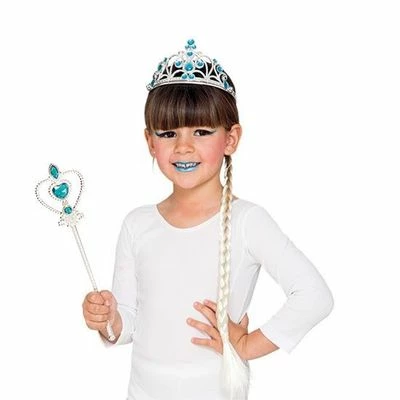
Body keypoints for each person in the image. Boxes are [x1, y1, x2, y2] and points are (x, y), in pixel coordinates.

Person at [82, 39, 334, 400]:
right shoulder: (137, 225)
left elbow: (314, 295)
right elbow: (128, 323)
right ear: (150, 142)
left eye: (201, 132)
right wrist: (107, 319)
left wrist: (247, 345)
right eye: (168, 133)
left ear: (231, 139)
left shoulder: (247, 221)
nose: (183, 147)